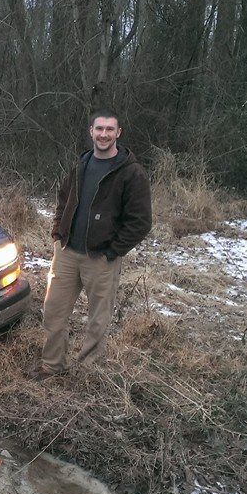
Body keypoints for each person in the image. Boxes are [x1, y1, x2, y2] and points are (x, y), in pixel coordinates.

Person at [29, 109, 152, 380]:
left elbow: (141, 222)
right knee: (53, 311)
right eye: (99, 129)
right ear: (91, 132)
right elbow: (64, 198)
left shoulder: (131, 173)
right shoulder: (81, 164)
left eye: (110, 129)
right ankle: (52, 366)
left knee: (98, 320)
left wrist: (113, 250)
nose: (104, 134)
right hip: (67, 253)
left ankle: (88, 372)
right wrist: (58, 231)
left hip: (101, 258)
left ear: (118, 133)